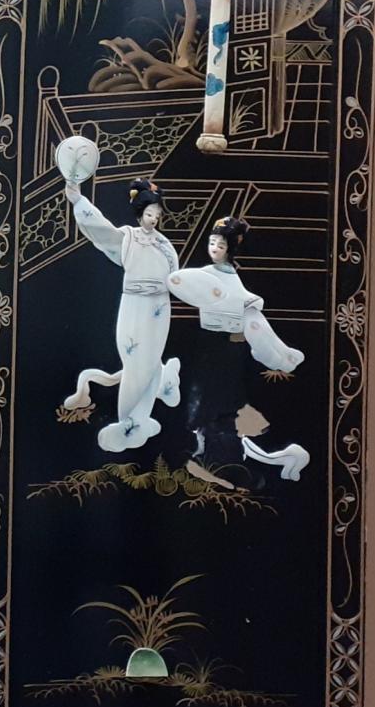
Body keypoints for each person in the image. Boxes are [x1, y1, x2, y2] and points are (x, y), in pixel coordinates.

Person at [166, 216, 309, 481]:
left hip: (226, 349)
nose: (214, 249)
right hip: (210, 346)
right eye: (212, 243)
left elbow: (247, 311)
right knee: (206, 402)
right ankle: (209, 453)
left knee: (222, 405)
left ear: (230, 249)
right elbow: (180, 283)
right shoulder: (207, 275)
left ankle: (225, 460)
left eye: (220, 245)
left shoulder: (230, 278)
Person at [62, 178, 183, 453]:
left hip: (159, 306)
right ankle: (129, 418)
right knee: (134, 359)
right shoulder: (128, 238)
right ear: (140, 214)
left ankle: (142, 411)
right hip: (134, 304)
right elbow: (101, 230)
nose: (153, 219)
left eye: (157, 215)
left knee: (150, 358)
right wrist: (78, 200)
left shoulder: (164, 244)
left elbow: (176, 277)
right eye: (149, 214)